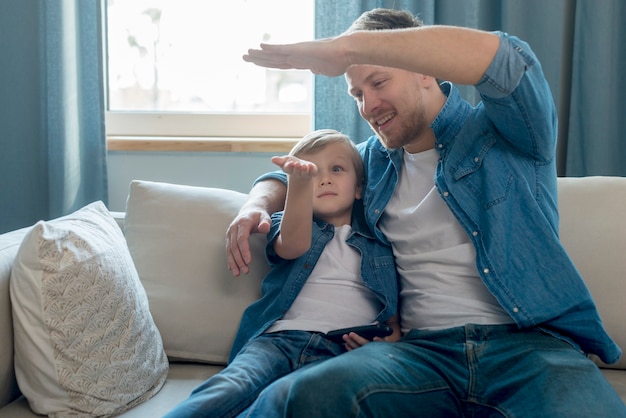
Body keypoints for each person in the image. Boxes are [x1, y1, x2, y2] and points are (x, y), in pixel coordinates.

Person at [228, 8, 626, 417]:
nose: (368, 105)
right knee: (297, 397)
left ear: (425, 70)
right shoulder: (374, 163)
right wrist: (257, 201)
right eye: (358, 93)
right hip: (419, 356)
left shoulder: (511, 133)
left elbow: (509, 60)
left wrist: (345, 49)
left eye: (378, 82)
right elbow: (305, 169)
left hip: (529, 349)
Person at [163, 129, 399, 418]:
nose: (324, 179)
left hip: (341, 352)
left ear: (359, 187)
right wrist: (298, 185)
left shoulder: (379, 243)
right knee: (230, 387)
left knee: (284, 404)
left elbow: (392, 310)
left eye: (336, 169)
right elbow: (292, 246)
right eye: (313, 175)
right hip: (278, 341)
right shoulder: (288, 224)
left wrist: (390, 338)